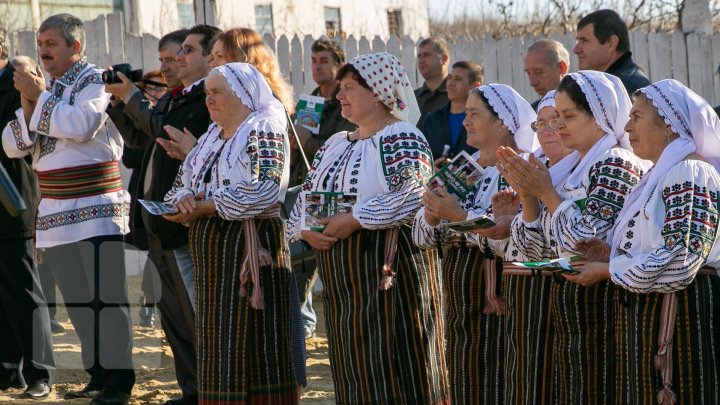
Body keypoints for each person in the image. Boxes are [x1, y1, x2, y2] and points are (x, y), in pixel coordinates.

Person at [287, 52, 449, 404]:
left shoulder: (402, 136)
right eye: (340, 88)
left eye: (349, 88)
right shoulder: (334, 144)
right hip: (343, 276)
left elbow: (413, 195)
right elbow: (307, 196)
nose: (339, 96)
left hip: (390, 272)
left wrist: (354, 218)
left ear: (377, 92)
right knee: (354, 365)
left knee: (397, 364)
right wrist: (305, 228)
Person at [2, 13, 134, 405]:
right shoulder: (46, 86)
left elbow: (82, 123)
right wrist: (31, 102)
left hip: (95, 205)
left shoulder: (95, 79)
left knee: (106, 299)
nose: (43, 52)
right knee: (79, 302)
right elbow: (12, 144)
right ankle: (97, 376)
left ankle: (119, 382)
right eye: (40, 45)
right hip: (57, 210)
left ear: (75, 47)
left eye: (52, 44)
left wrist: (38, 99)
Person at [496, 71, 650, 405]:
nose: (558, 126)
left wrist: (546, 194)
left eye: (568, 116)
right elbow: (529, 248)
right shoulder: (573, 168)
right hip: (567, 313)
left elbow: (583, 242)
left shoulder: (615, 163)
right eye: (554, 117)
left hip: (602, 310)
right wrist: (527, 197)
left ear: (599, 116)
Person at [564, 79, 720, 405]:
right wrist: (612, 255)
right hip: (652, 317)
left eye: (637, 116)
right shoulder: (660, 175)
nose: (627, 125)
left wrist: (609, 271)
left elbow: (680, 260)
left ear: (669, 126)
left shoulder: (690, 171)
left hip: (683, 324)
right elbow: (657, 245)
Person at [164, 62, 297, 404]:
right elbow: (181, 183)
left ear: (242, 93)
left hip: (252, 245)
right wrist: (183, 202)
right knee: (218, 339)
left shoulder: (263, 128)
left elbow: (266, 189)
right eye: (206, 93)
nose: (209, 100)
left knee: (255, 342)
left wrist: (207, 205)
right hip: (213, 253)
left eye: (216, 92)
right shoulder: (211, 136)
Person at [105, 26, 219, 405]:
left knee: (195, 316)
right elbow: (140, 139)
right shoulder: (176, 97)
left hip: (188, 224)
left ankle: (206, 389)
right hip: (160, 224)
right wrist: (118, 102)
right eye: (166, 59)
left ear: (209, 56)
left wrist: (134, 96)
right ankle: (191, 389)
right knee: (174, 318)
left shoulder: (207, 99)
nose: (171, 65)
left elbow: (162, 130)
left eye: (180, 54)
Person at [413, 83, 539, 404]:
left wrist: (456, 216)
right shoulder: (464, 166)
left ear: (503, 122)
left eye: (474, 114)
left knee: (497, 375)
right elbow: (422, 234)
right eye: (465, 113)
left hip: (500, 293)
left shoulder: (521, 168)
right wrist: (432, 214)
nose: (465, 121)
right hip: (459, 293)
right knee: (464, 373)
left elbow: (507, 231)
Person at [203, 26, 308, 389]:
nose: (211, 62)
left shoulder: (266, 114)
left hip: (261, 231)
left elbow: (263, 184)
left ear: (245, 65)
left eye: (220, 56)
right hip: (232, 228)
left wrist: (209, 202)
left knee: (270, 332)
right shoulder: (223, 115)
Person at [499, 90, 578, 405]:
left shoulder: (583, 171)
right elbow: (529, 250)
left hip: (565, 294)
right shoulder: (533, 168)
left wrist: (537, 195)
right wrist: (526, 201)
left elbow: (573, 244)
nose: (547, 130)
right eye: (540, 123)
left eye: (555, 120)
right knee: (527, 382)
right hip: (529, 296)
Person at [0, 37, 55, 400]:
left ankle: (40, 372)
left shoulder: (18, 78)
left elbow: (23, 135)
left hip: (11, 199)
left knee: (22, 290)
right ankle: (8, 369)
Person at [121, 69, 168, 328]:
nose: (158, 92)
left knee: (159, 253)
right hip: (142, 191)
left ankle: (154, 304)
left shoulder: (162, 116)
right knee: (151, 252)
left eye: (162, 88)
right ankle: (148, 305)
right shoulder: (142, 117)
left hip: (164, 192)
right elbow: (129, 157)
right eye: (154, 88)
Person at [418, 60, 482, 167]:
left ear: (475, 86)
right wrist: (432, 168)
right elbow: (420, 158)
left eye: (458, 79)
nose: (451, 83)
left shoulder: (483, 122)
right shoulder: (431, 120)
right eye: (449, 77)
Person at [574, 9, 650, 94]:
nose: (576, 50)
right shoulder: (626, 81)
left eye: (584, 41)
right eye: (578, 41)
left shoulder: (619, 89)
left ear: (611, 43)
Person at [524, 39, 569, 110]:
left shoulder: (584, 106)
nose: (532, 83)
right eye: (529, 73)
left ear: (561, 68)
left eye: (539, 72)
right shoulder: (532, 113)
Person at [414, 38, 450, 119]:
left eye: (427, 55)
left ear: (444, 59)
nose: (421, 60)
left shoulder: (458, 95)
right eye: (419, 56)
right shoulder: (412, 98)